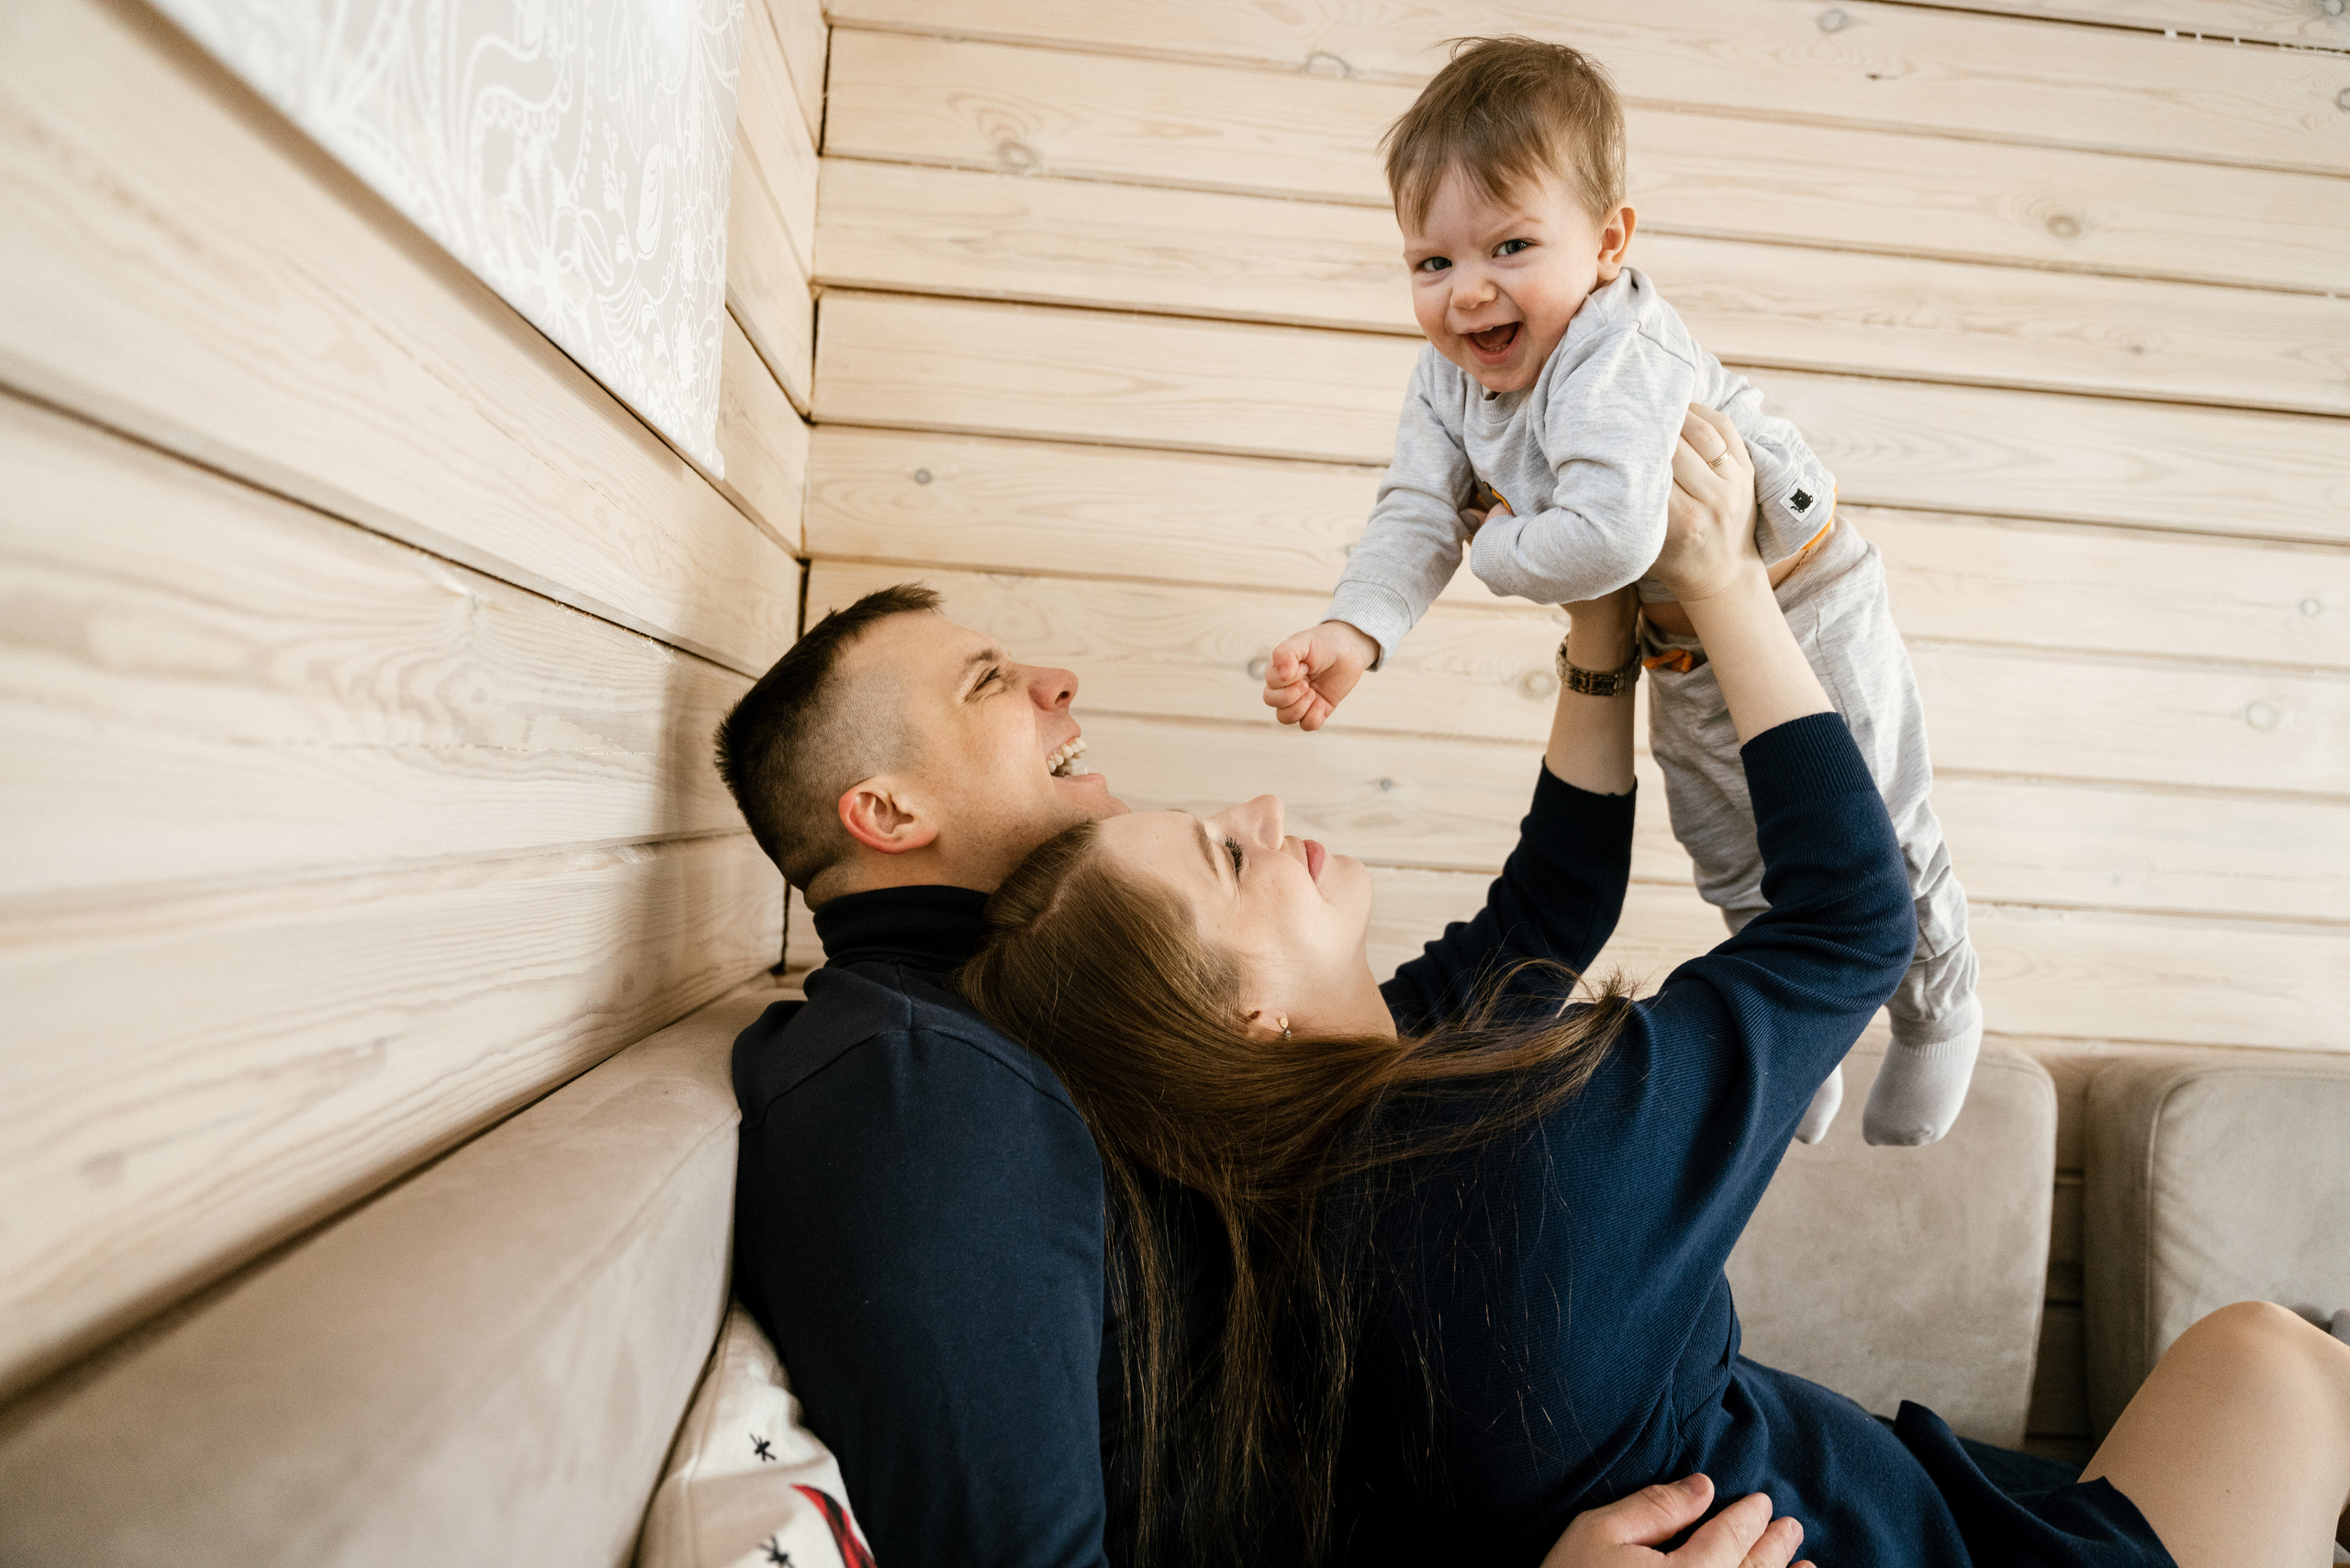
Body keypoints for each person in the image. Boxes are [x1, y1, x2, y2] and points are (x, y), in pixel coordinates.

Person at [962, 406, 2350, 1567]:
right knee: (2274, 1358)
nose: (1265, 810)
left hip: (1897, 1487)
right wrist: (1727, 582)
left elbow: (1550, 909)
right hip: (1931, 1545)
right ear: (1243, 1021)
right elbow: (1852, 927)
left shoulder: (1303, 1172)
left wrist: (1602, 627)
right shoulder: (1527, 1162)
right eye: (1224, 855)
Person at [711, 584, 1822, 1565]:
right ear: (888, 811)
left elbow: (1538, 924)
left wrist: (1599, 632)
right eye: (987, 681)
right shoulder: (920, 1085)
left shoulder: (1063, 996)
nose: (1056, 681)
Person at [1259, 36, 1977, 1148]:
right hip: (1674, 643)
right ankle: (1801, 1037)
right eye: (1431, 262)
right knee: (1723, 841)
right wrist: (1357, 626)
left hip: (1803, 601)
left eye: (1510, 246)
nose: (1468, 292)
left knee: (1871, 822)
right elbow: (1416, 507)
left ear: (1606, 244)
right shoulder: (1447, 378)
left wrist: (1497, 546)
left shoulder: (1618, 349)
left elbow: (1608, 537)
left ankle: (1937, 1008)